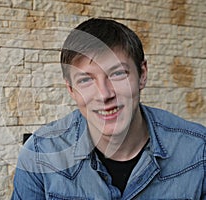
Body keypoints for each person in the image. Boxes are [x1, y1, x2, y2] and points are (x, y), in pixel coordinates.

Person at [11, 18, 206, 199]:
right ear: (71, 90)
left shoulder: (199, 150)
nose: (104, 95)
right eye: (86, 80)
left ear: (142, 74)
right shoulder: (38, 155)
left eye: (118, 73)